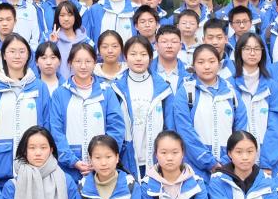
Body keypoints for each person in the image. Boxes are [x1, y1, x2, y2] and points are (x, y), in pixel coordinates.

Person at [0, 34, 50, 185]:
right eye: (12, 51)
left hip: (34, 168)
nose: (17, 56)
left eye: (22, 51)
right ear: (4, 55)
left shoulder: (40, 87)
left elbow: (47, 127)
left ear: (28, 55)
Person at [49, 43, 125, 182]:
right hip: (68, 170)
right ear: (70, 63)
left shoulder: (106, 92)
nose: (83, 66)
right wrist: (72, 161)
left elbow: (116, 128)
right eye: (78, 61)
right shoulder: (60, 93)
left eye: (88, 61)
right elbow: (56, 130)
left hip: (102, 169)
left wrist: (102, 159)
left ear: (95, 63)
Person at [113, 35, 180, 177]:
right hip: (125, 157)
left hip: (156, 157)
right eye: (133, 54)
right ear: (125, 57)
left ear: (150, 57)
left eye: (143, 54)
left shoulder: (163, 87)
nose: (138, 59)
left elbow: (170, 125)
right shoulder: (115, 87)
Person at [179, 43, 247, 176]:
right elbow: (184, 130)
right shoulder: (186, 92)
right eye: (201, 62)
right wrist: (209, 162)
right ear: (193, 65)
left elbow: (240, 129)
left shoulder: (232, 92)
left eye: (212, 61)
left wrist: (226, 160)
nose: (207, 66)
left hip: (229, 165)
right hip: (194, 165)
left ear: (219, 64)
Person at [233, 32, 278, 174]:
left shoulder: (272, 86)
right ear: (239, 51)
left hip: (267, 160)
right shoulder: (230, 85)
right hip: (237, 159)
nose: (252, 53)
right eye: (247, 48)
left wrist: (266, 162)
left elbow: (277, 126)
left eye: (257, 49)